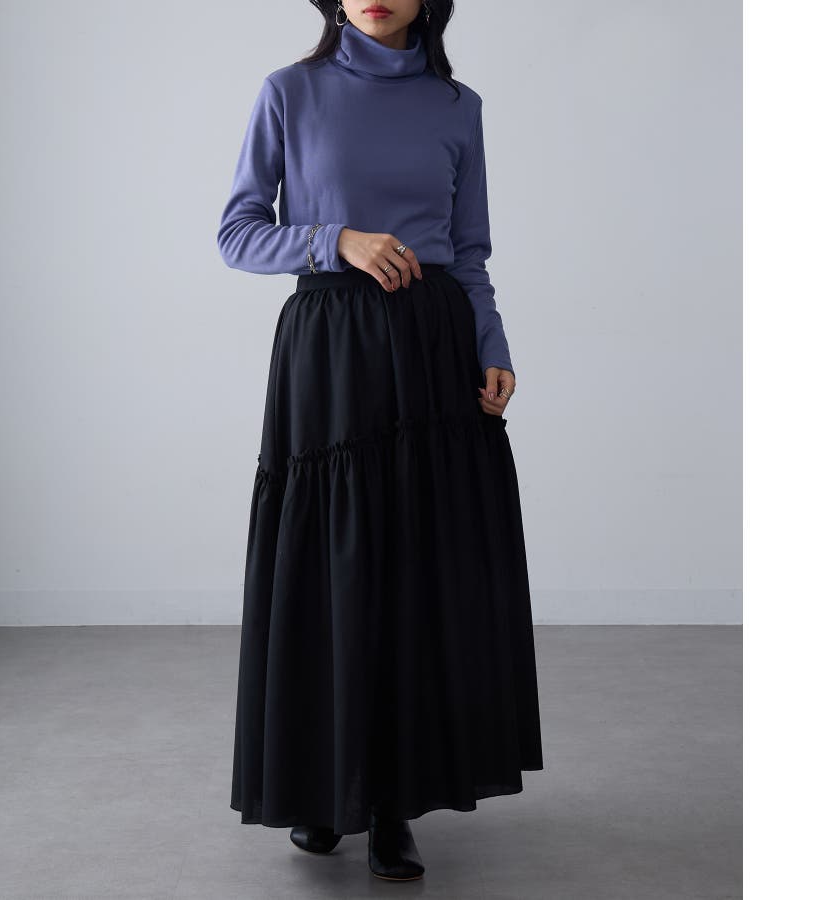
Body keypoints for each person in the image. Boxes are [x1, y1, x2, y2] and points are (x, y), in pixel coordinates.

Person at [216, 0, 543, 882]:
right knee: (330, 565)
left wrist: (493, 346)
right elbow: (237, 234)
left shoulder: (456, 106)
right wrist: (337, 241)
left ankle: (395, 802)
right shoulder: (290, 92)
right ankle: (325, 790)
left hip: (432, 351)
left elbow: (469, 253)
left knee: (416, 571)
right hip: (330, 350)